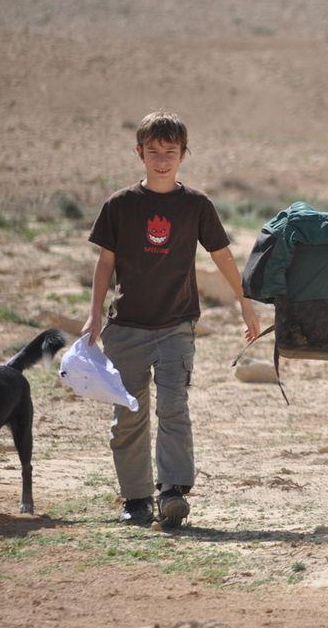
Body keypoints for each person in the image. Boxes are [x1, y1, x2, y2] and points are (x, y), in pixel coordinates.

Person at [81, 111, 260, 528]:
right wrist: (93, 316)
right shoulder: (120, 205)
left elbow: (222, 255)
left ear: (184, 155)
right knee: (128, 414)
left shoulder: (196, 205)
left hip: (177, 326)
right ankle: (137, 499)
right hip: (125, 328)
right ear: (139, 152)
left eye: (171, 152)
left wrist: (244, 302)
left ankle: (173, 492)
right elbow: (104, 263)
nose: (162, 159)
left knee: (175, 409)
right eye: (154, 151)